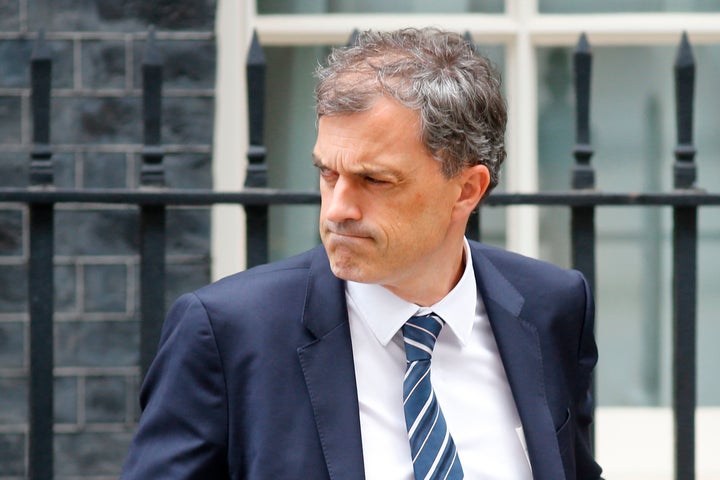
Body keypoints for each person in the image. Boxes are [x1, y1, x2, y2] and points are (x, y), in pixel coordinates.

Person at [121, 27, 603, 480]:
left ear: (466, 190)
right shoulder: (227, 332)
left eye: (375, 179)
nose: (337, 209)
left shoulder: (552, 306)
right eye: (328, 173)